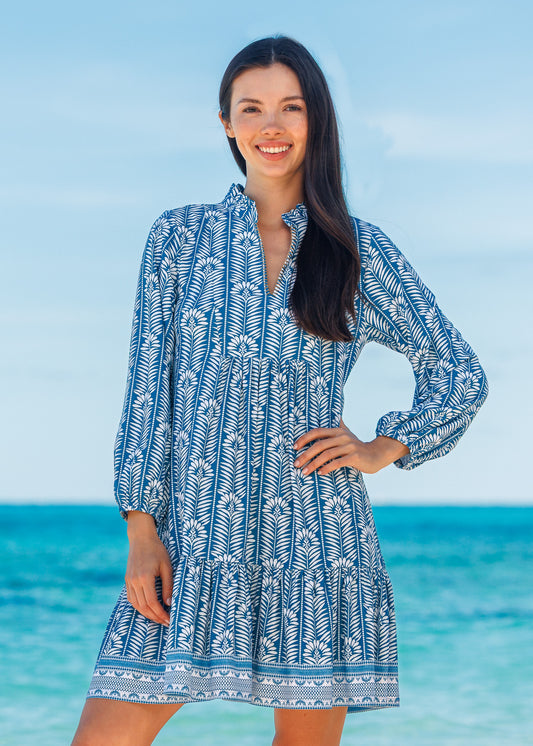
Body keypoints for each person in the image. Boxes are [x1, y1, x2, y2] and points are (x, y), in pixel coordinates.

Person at [71, 35, 488, 746]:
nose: (271, 126)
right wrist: (141, 527)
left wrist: (383, 447)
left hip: (316, 543)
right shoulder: (179, 238)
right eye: (252, 108)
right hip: (194, 537)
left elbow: (458, 371)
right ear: (227, 124)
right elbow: (148, 390)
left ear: (315, 122)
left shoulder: (358, 251)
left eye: (290, 108)